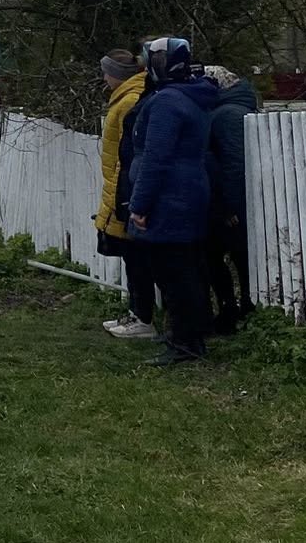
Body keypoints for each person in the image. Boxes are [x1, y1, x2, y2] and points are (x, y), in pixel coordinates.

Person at [127, 36, 220, 365]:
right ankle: (193, 333)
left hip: (169, 196)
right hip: (188, 190)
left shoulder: (167, 101)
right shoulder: (192, 95)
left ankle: (185, 343)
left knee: (173, 271)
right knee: (188, 267)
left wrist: (140, 205)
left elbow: (156, 158)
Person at [92, 50, 158, 339]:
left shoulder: (130, 100)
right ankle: (136, 313)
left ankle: (142, 317)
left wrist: (122, 194)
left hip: (125, 188)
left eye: (107, 72)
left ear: (118, 74)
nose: (104, 77)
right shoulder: (123, 98)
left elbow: (127, 153)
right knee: (133, 256)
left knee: (137, 256)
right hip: (119, 186)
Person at [202, 64, 257, 333]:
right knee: (234, 257)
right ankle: (238, 308)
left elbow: (233, 164)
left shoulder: (225, 115)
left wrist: (228, 206)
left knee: (219, 255)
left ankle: (234, 310)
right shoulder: (234, 110)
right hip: (233, 201)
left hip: (230, 204)